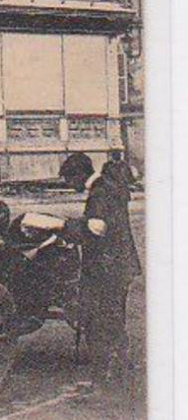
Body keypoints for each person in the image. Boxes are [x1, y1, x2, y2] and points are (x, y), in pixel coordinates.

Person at [65, 155, 141, 390]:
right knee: (114, 317)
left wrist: (64, 227)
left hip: (106, 268)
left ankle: (102, 380)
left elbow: (96, 227)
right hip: (120, 265)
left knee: (97, 321)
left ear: (78, 175)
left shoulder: (99, 192)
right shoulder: (110, 186)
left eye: (69, 179)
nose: (70, 185)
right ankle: (121, 369)